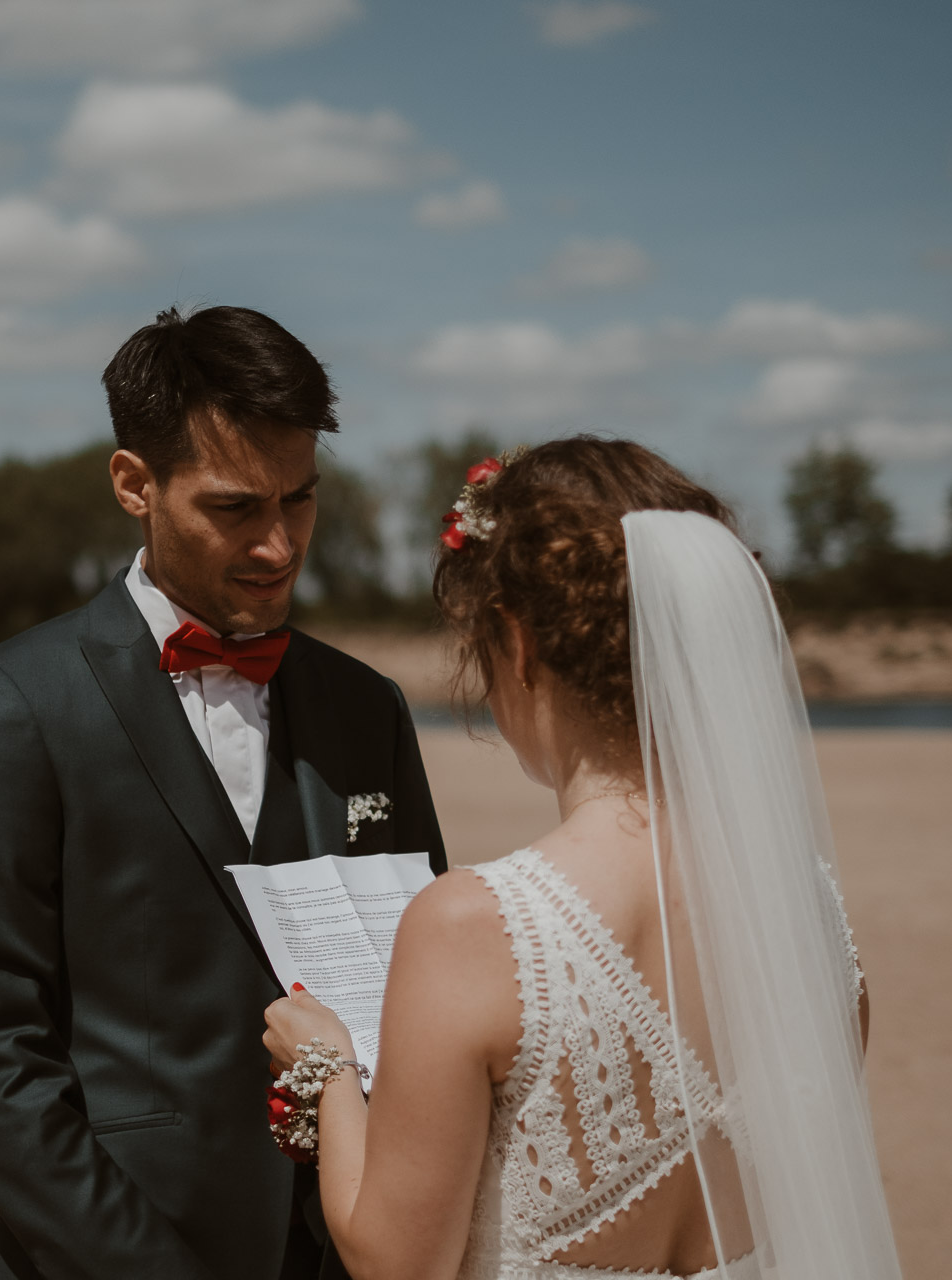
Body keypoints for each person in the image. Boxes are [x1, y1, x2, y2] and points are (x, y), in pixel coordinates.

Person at [262, 438, 905, 1280]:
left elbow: (396, 1262)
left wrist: (328, 1065)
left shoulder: (475, 924)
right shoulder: (805, 904)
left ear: (519, 646)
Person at [0, 304, 448, 1280]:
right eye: (234, 507)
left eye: (299, 500)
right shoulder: (11, 703)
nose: (279, 544)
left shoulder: (363, 705)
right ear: (134, 483)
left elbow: (423, 996)